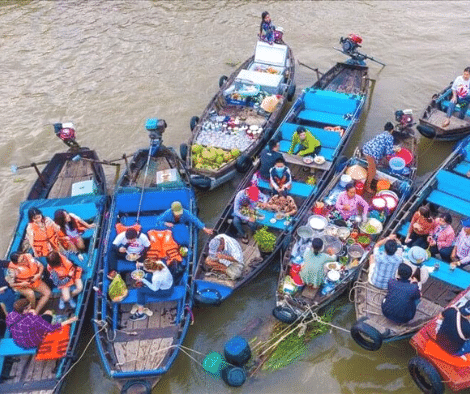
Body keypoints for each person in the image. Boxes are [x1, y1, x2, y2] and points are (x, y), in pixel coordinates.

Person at [6, 298, 77, 349]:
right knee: (48, 312)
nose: (31, 307)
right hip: (33, 343)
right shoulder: (33, 319)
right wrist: (69, 321)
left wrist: (31, 313)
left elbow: (10, 329)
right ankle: (57, 319)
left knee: (39, 322)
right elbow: (51, 328)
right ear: (24, 310)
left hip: (19, 343)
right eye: (29, 306)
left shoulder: (10, 316)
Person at [362, 122, 399, 193]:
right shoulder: (390, 137)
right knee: (373, 171)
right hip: (371, 153)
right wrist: (395, 153)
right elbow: (388, 152)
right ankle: (367, 187)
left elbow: (382, 147)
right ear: (392, 130)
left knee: (371, 166)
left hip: (366, 148)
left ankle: (367, 178)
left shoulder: (381, 134)